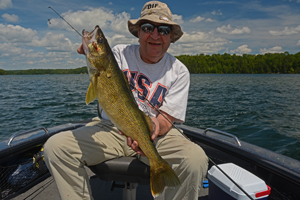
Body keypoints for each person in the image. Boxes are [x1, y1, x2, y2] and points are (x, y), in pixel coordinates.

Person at [43, 1, 208, 200]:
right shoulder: (120, 53)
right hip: (110, 128)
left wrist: (151, 130)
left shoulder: (179, 71)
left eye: (163, 30)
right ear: (138, 32)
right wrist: (89, 50)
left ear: (171, 37)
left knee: (195, 159)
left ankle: (160, 169)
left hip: (155, 136)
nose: (155, 35)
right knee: (56, 147)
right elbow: (102, 65)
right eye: (147, 28)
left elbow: (166, 121)